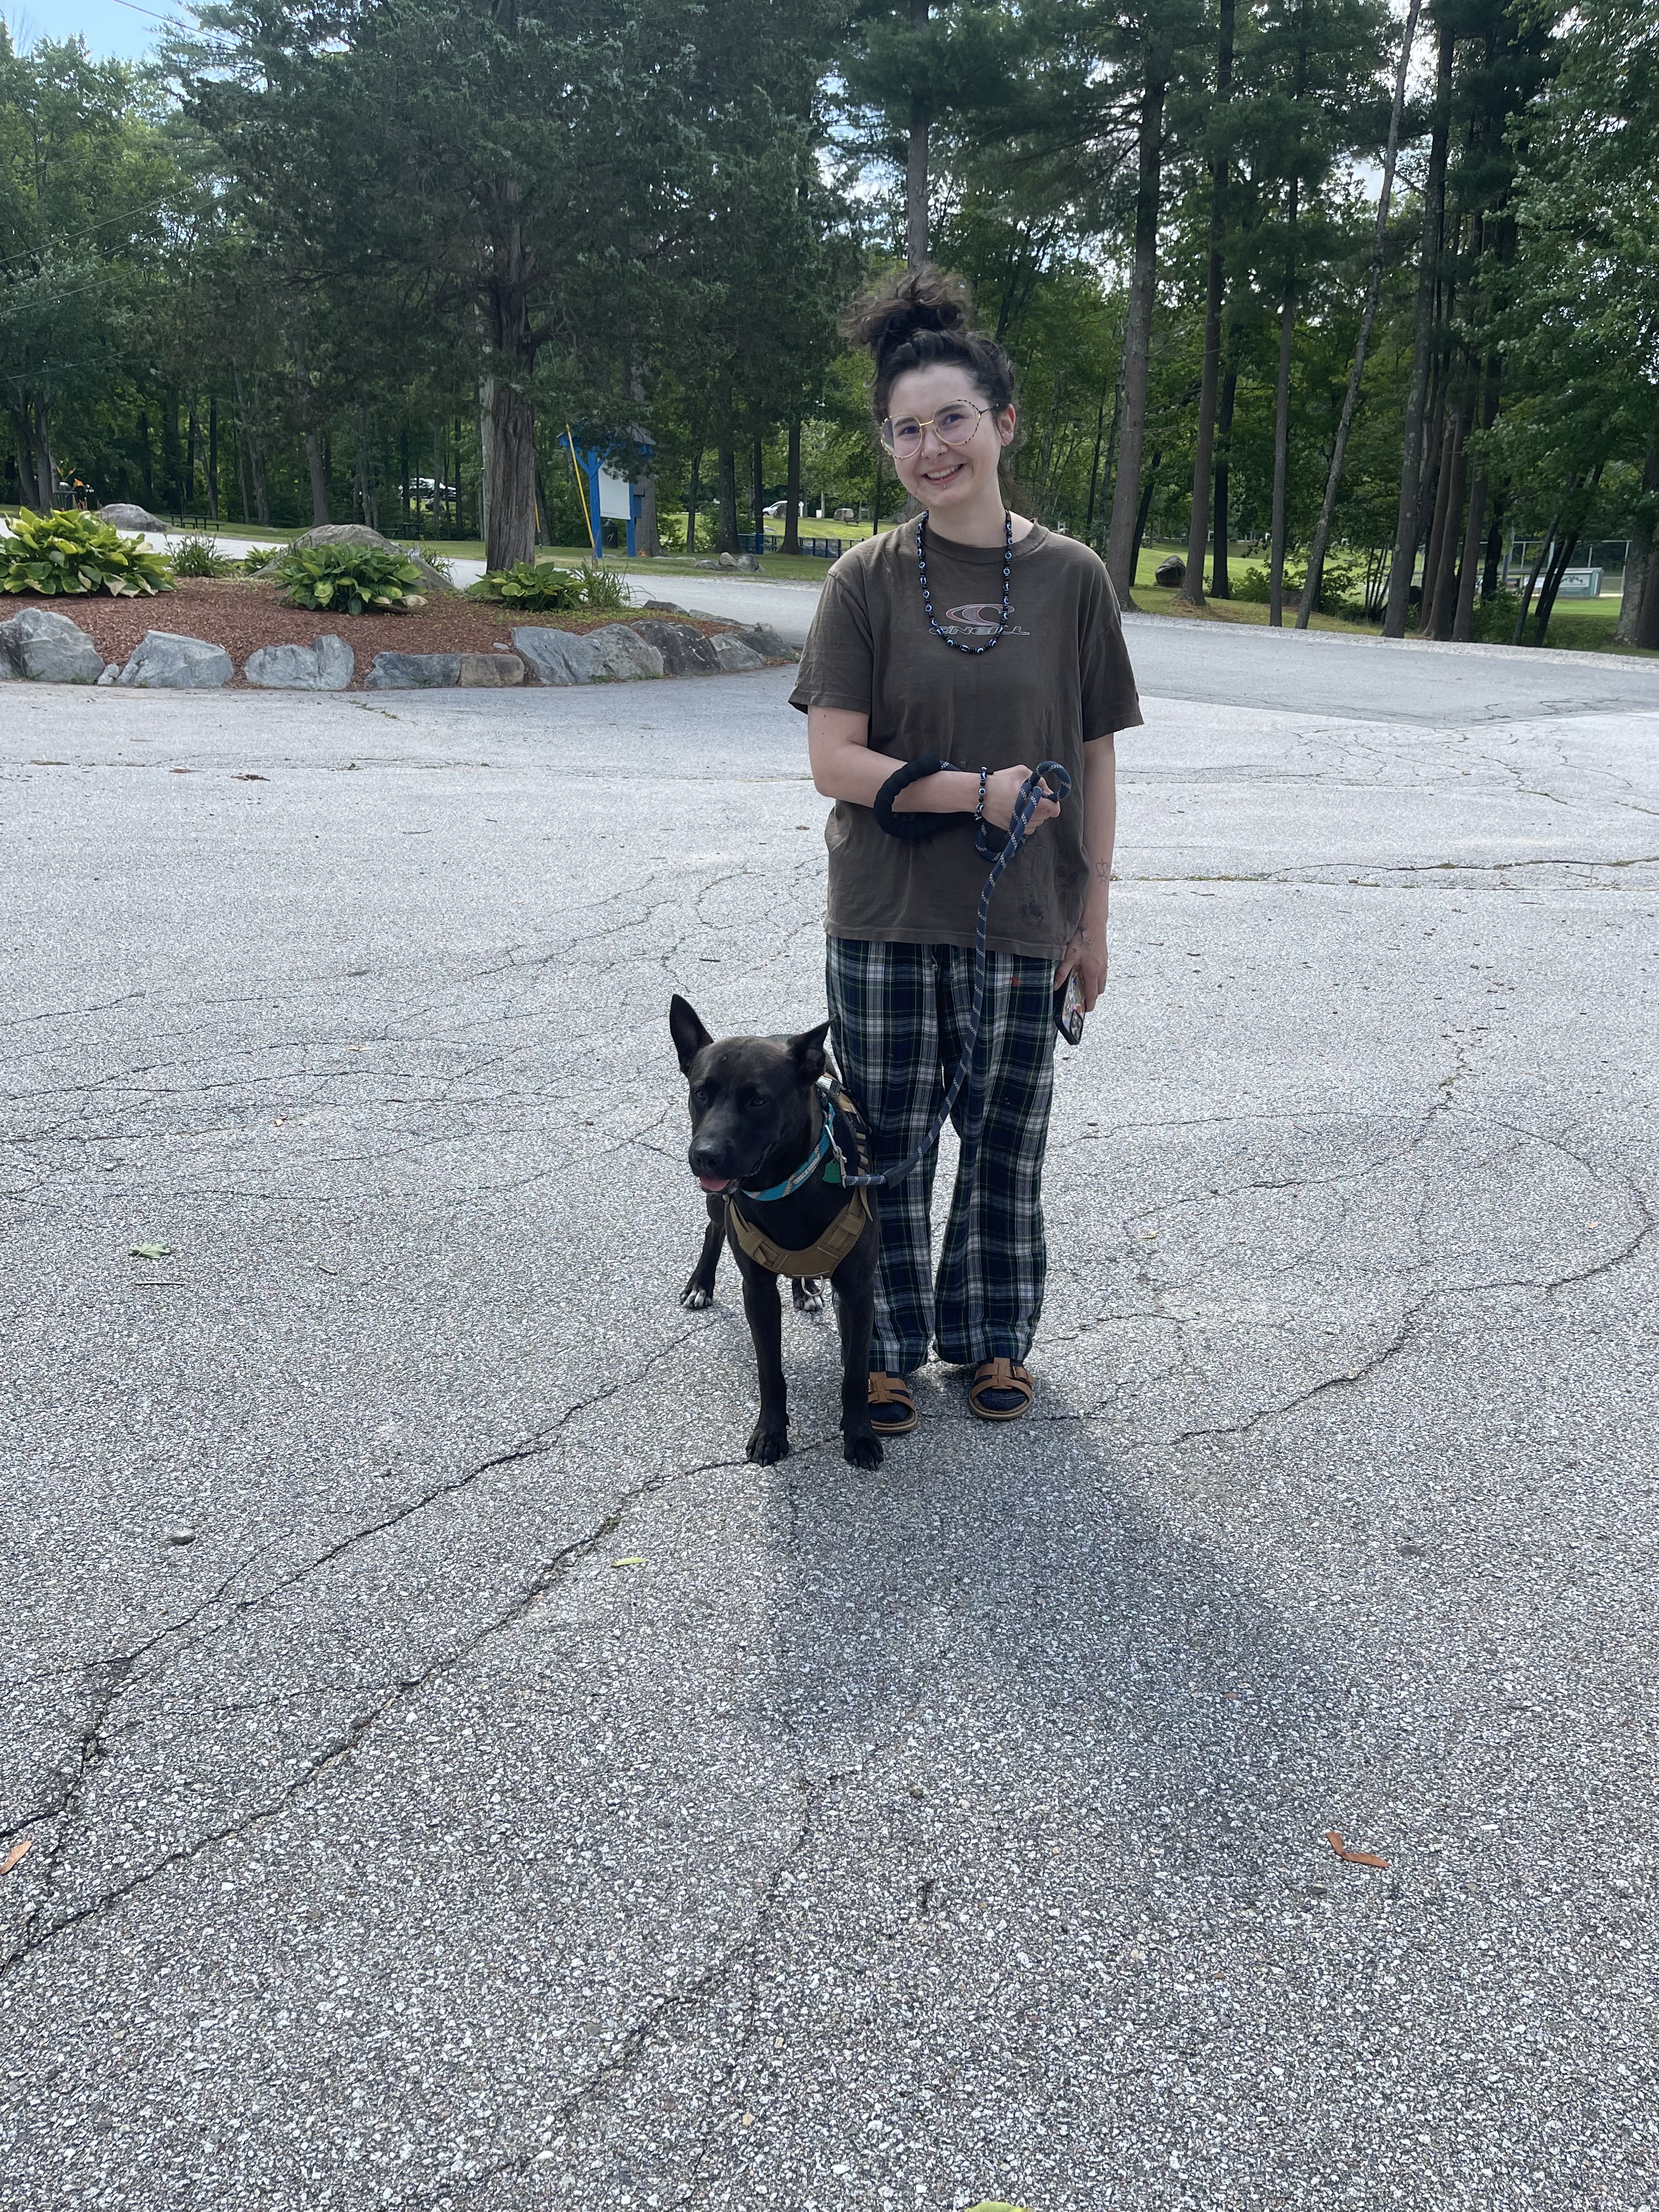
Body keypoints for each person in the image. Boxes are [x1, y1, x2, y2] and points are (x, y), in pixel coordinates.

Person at [789, 264, 1143, 1431]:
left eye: (952, 420)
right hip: (885, 917)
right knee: (885, 1144)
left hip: (1025, 916)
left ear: (1003, 421)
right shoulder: (864, 582)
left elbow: (1092, 760)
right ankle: (881, 1344)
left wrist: (1092, 925)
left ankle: (991, 1339)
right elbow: (835, 759)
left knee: (1005, 1145)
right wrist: (969, 794)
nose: (932, 448)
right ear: (887, 445)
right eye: (906, 429)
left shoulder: (1074, 579)